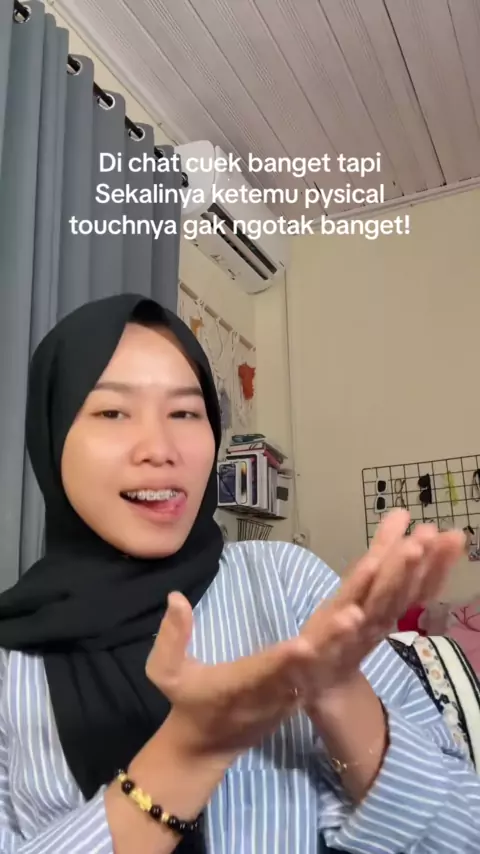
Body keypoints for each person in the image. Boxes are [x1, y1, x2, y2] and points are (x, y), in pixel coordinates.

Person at [0, 293, 477, 854]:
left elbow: (463, 833)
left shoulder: (285, 582)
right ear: (52, 433)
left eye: (185, 413)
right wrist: (187, 754)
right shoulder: (11, 663)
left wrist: (339, 694)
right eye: (112, 413)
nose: (160, 449)